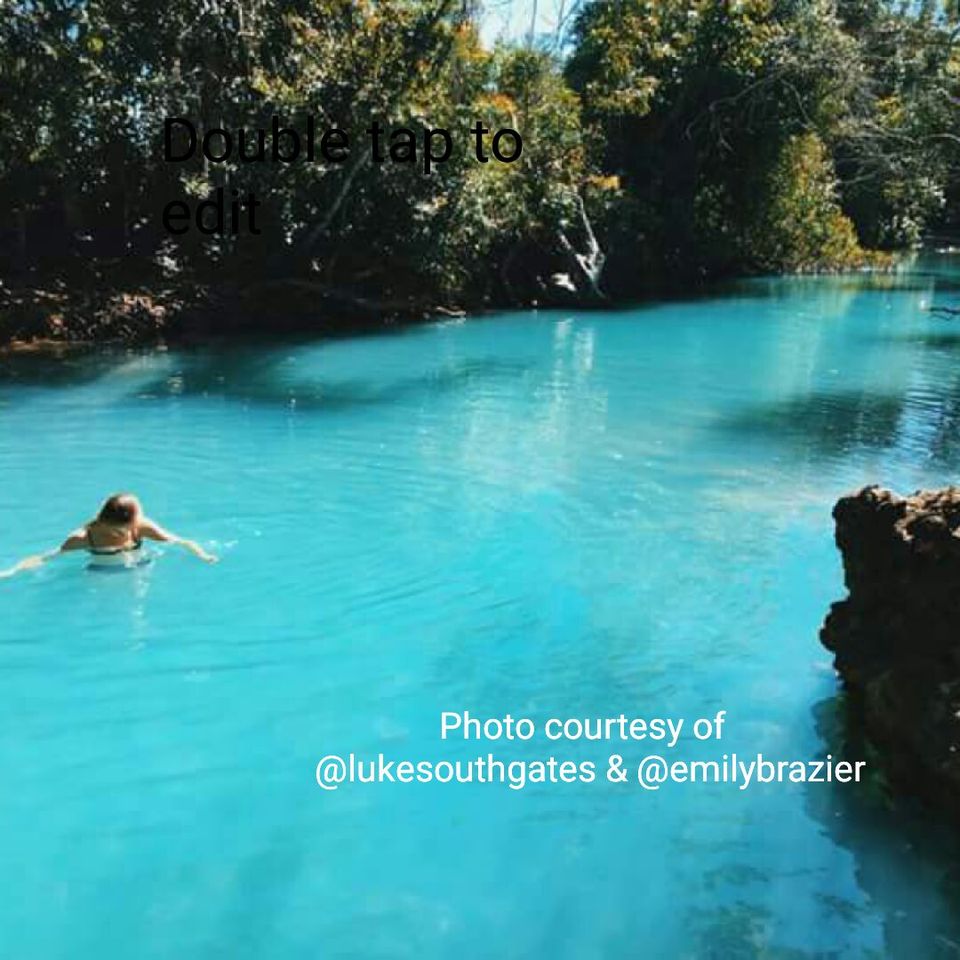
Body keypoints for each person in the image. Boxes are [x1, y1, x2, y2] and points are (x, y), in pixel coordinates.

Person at [1, 493, 217, 576]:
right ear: (121, 526)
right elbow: (47, 556)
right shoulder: (84, 537)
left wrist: (203, 555)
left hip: (139, 571)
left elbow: (180, 541)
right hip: (99, 576)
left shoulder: (141, 528)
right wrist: (11, 571)